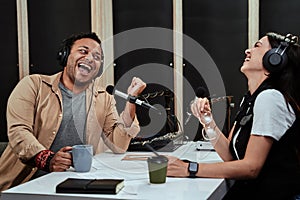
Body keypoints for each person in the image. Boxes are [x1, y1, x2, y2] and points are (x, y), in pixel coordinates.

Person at [0, 32, 146, 191]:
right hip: (24, 185)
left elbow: (118, 146)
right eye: (83, 51)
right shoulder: (33, 85)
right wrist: (48, 160)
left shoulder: (104, 98)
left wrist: (131, 100)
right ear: (65, 56)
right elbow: (18, 132)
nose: (90, 58)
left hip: (76, 183)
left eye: (97, 57)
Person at [167, 32, 300, 199]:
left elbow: (251, 168)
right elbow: (231, 156)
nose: (247, 51)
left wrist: (189, 169)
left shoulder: (270, 98)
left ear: (274, 58)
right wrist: (207, 121)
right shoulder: (251, 98)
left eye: (257, 46)